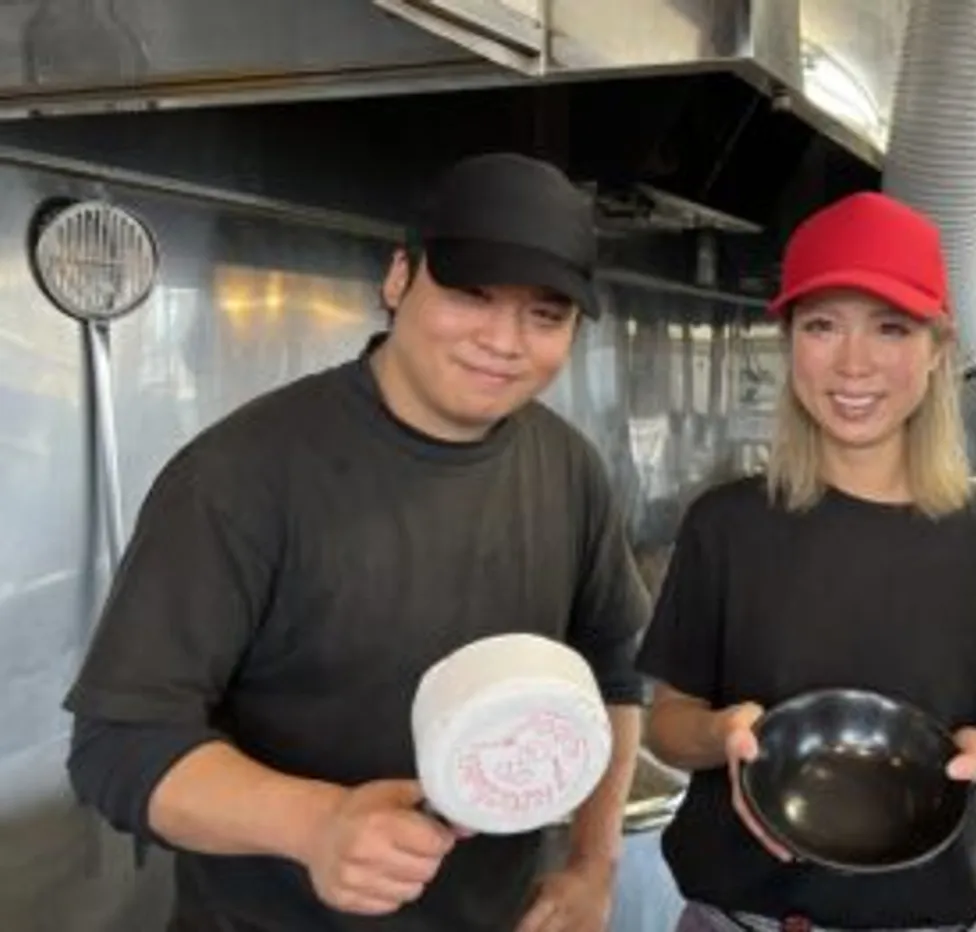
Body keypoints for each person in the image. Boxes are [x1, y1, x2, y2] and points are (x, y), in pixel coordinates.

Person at [62, 152, 650, 932]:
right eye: (471, 294)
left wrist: (591, 864)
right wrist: (316, 825)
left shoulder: (568, 466)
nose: (505, 340)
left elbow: (612, 675)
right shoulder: (241, 475)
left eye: (545, 314)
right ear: (399, 278)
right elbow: (117, 747)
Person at [635, 191, 976, 931]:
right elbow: (666, 722)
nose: (853, 364)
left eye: (890, 328)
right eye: (822, 325)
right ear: (791, 339)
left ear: (935, 350)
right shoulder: (727, 523)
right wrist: (723, 734)